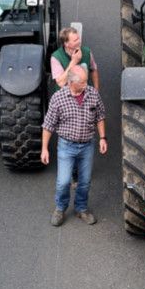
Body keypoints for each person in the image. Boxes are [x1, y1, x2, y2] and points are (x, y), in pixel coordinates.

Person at [40, 66, 107, 225]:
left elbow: (100, 116)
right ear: (71, 82)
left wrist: (103, 138)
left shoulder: (92, 94)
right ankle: (60, 208)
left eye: (86, 80)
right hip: (66, 146)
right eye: (83, 82)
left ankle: (81, 209)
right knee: (63, 181)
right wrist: (44, 148)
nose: (86, 84)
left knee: (84, 181)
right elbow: (48, 125)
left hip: (87, 145)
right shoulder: (58, 98)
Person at [50, 27, 99, 92]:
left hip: (84, 94)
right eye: (75, 40)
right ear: (66, 43)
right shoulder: (56, 57)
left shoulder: (87, 52)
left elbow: (93, 70)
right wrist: (74, 62)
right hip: (64, 97)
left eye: (78, 38)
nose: (79, 41)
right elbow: (61, 83)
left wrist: (96, 90)